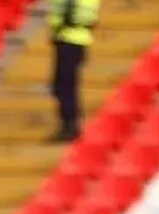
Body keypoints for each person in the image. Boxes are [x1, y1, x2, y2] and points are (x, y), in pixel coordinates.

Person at [48, 0, 100, 142]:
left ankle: (70, 125)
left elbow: (76, 16)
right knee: (62, 85)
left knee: (65, 85)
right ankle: (69, 123)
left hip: (71, 40)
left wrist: (60, 27)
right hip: (67, 39)